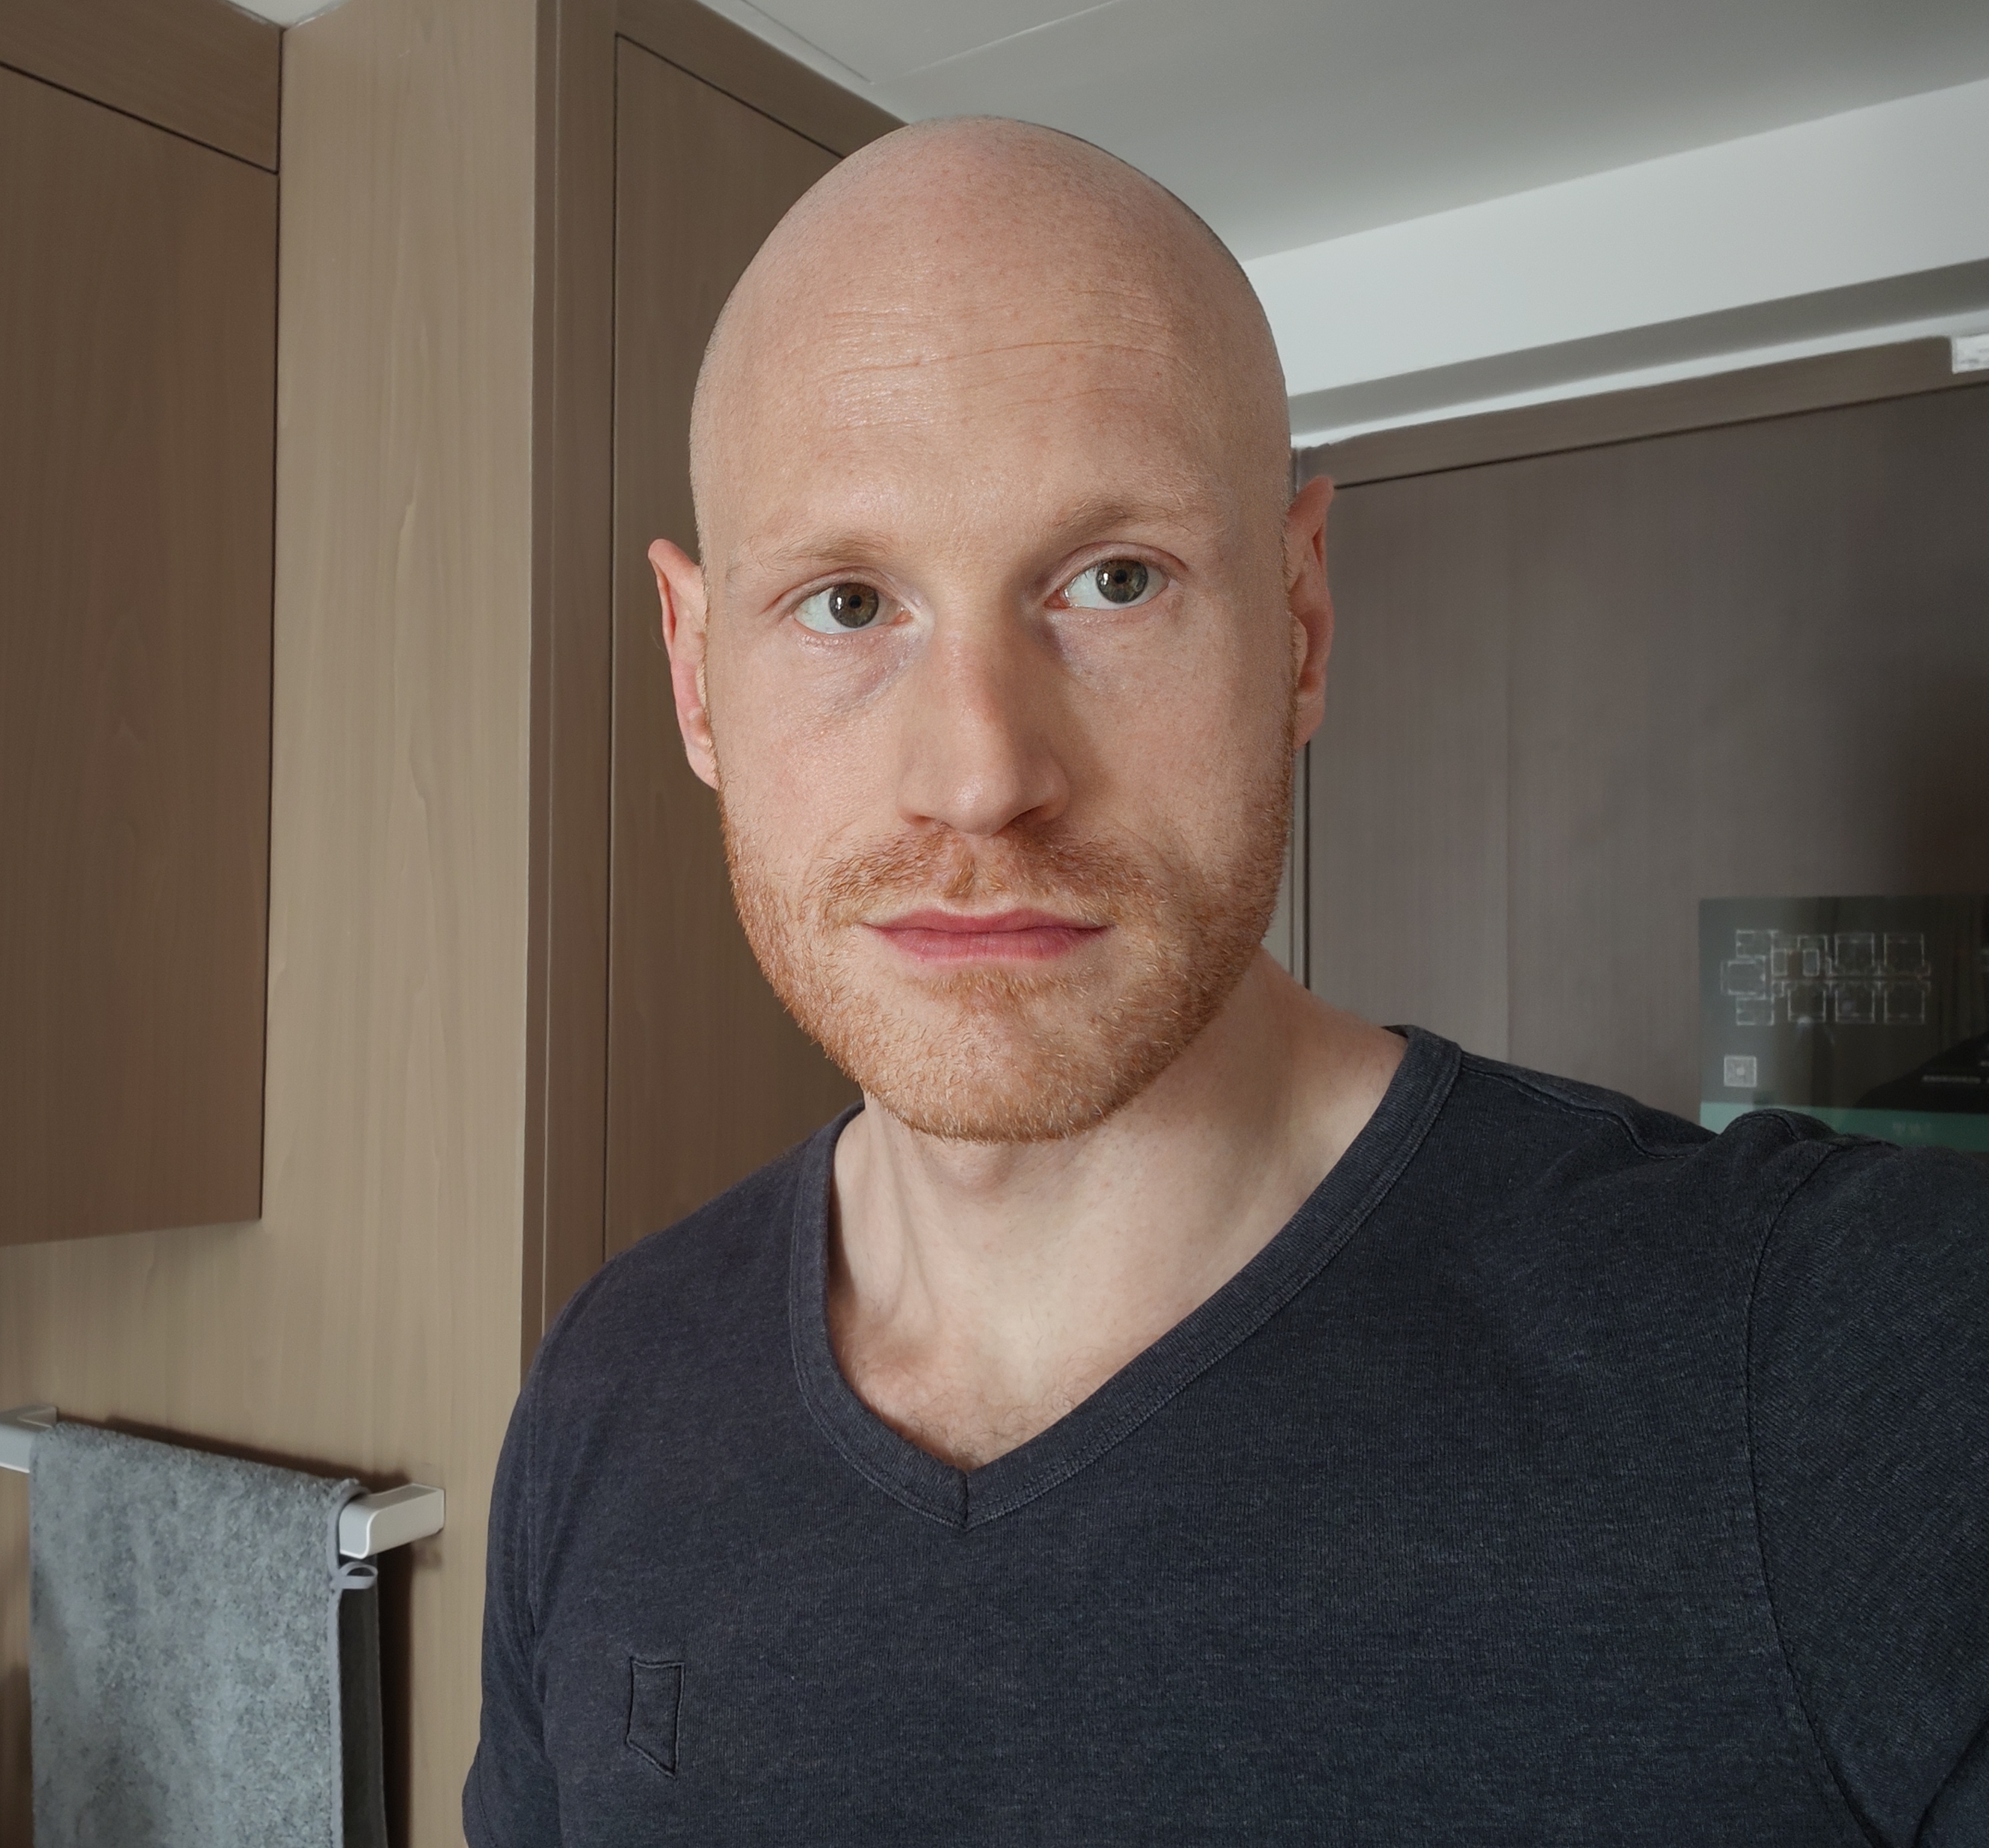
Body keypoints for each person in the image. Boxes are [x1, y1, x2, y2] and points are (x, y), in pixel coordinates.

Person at [464, 118, 1989, 1846]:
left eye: (1112, 582)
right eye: (845, 603)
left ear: (1300, 623)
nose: (981, 775)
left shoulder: (1841, 1371)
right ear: (695, 679)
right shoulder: (606, 1389)